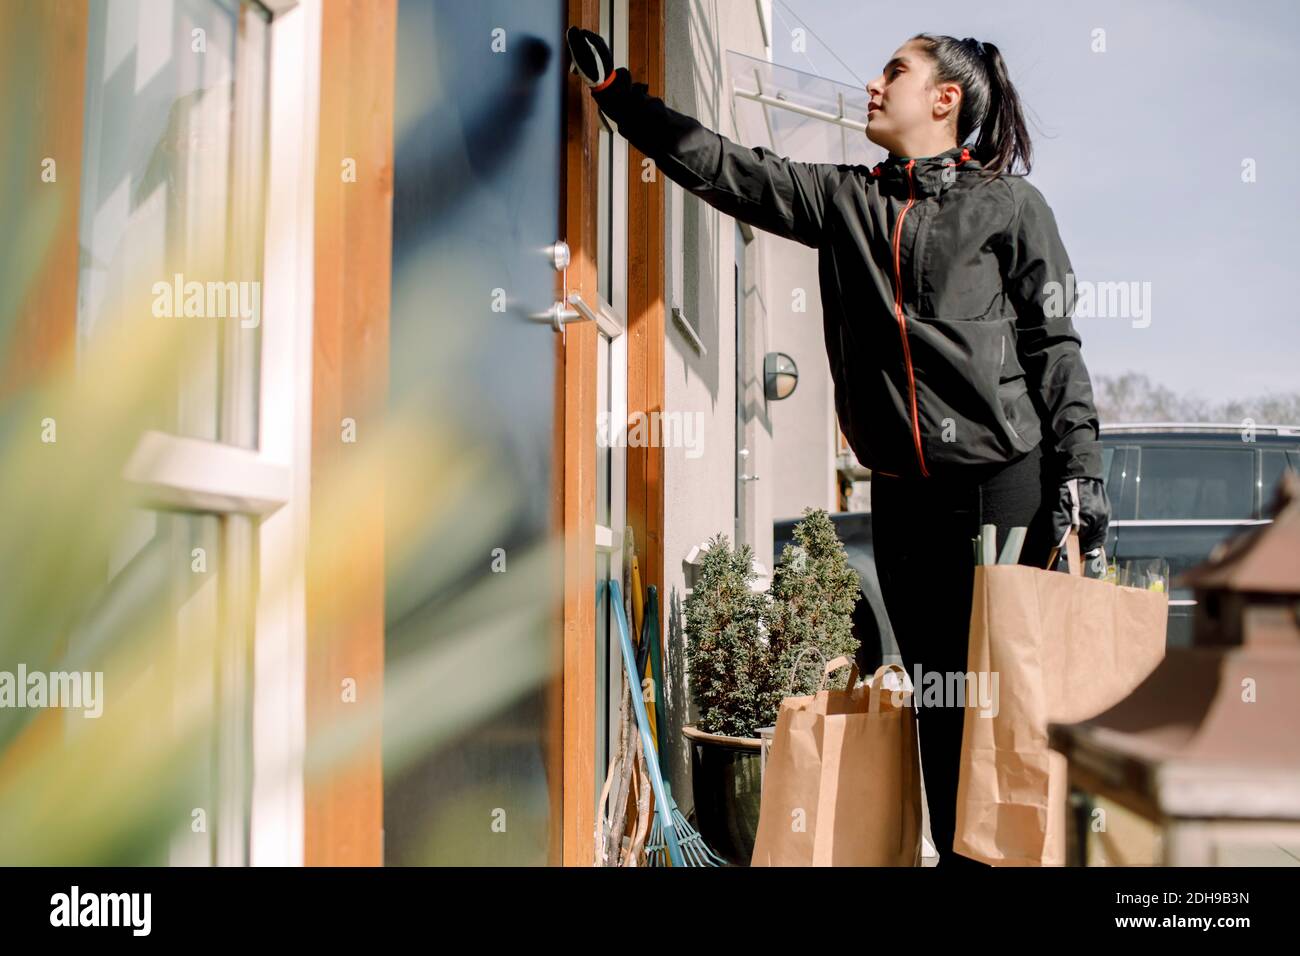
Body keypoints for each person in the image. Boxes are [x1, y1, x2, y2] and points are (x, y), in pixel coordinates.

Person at [566, 27, 1110, 868]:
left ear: (945, 99)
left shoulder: (1010, 207)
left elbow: (1054, 346)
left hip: (1008, 485)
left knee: (1010, 700)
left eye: (895, 71)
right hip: (904, 494)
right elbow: (726, 169)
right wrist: (620, 99)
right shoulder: (843, 200)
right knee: (939, 698)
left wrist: (1082, 470)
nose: (872, 84)